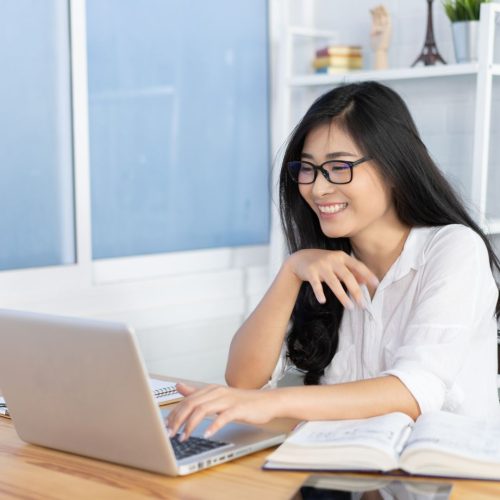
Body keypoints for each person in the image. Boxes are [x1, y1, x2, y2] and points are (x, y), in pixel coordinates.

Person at [167, 81, 500, 442]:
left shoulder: (453, 249)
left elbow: (416, 391)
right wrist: (290, 272)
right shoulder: (321, 263)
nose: (318, 188)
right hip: (350, 477)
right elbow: (244, 380)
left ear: (394, 167)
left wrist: (274, 403)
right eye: (307, 169)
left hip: (449, 482)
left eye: (339, 167)